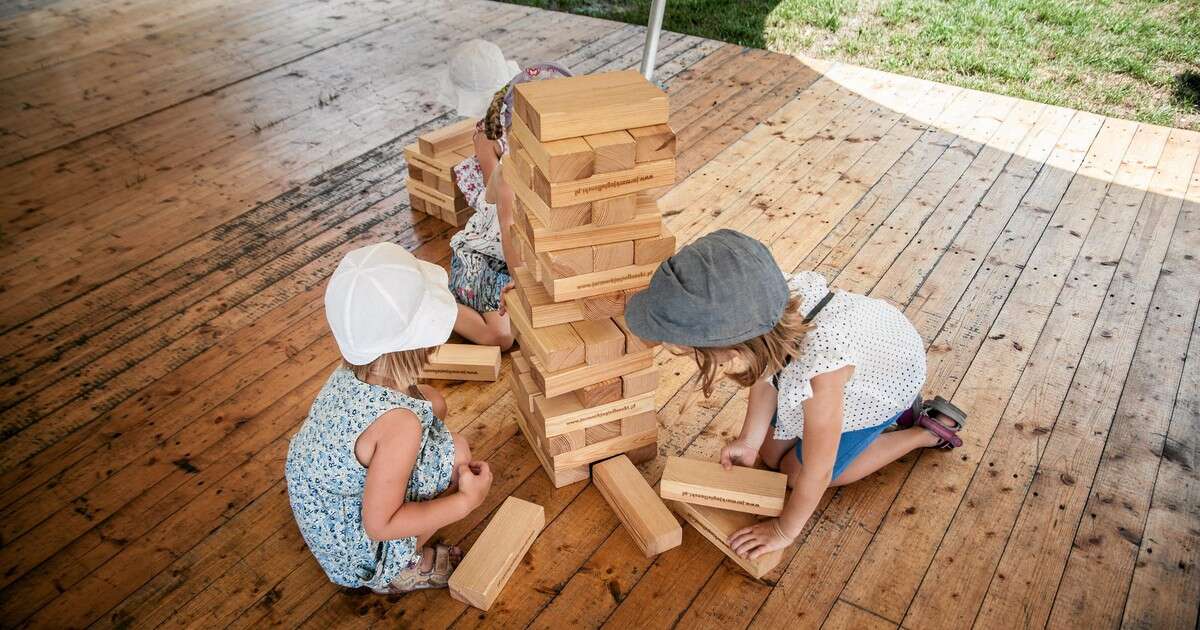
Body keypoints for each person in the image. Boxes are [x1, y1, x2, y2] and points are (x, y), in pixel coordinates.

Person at [624, 229, 966, 560]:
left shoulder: (822, 374)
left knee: (797, 474)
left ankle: (920, 433)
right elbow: (766, 373)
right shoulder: (761, 305)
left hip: (883, 384)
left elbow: (820, 468)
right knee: (771, 455)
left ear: (730, 347)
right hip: (852, 358)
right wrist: (749, 441)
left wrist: (785, 530)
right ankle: (902, 428)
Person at [285, 242, 493, 593]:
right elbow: (380, 525)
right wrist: (465, 501)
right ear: (421, 342)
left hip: (319, 504)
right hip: (356, 549)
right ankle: (401, 570)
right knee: (457, 453)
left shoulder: (353, 369)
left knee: (433, 403)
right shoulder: (400, 425)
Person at [438, 40, 571, 348]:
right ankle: (430, 300)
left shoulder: (551, 146)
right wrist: (522, 283)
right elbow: (505, 223)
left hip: (526, 250)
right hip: (489, 256)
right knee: (502, 337)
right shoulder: (495, 149)